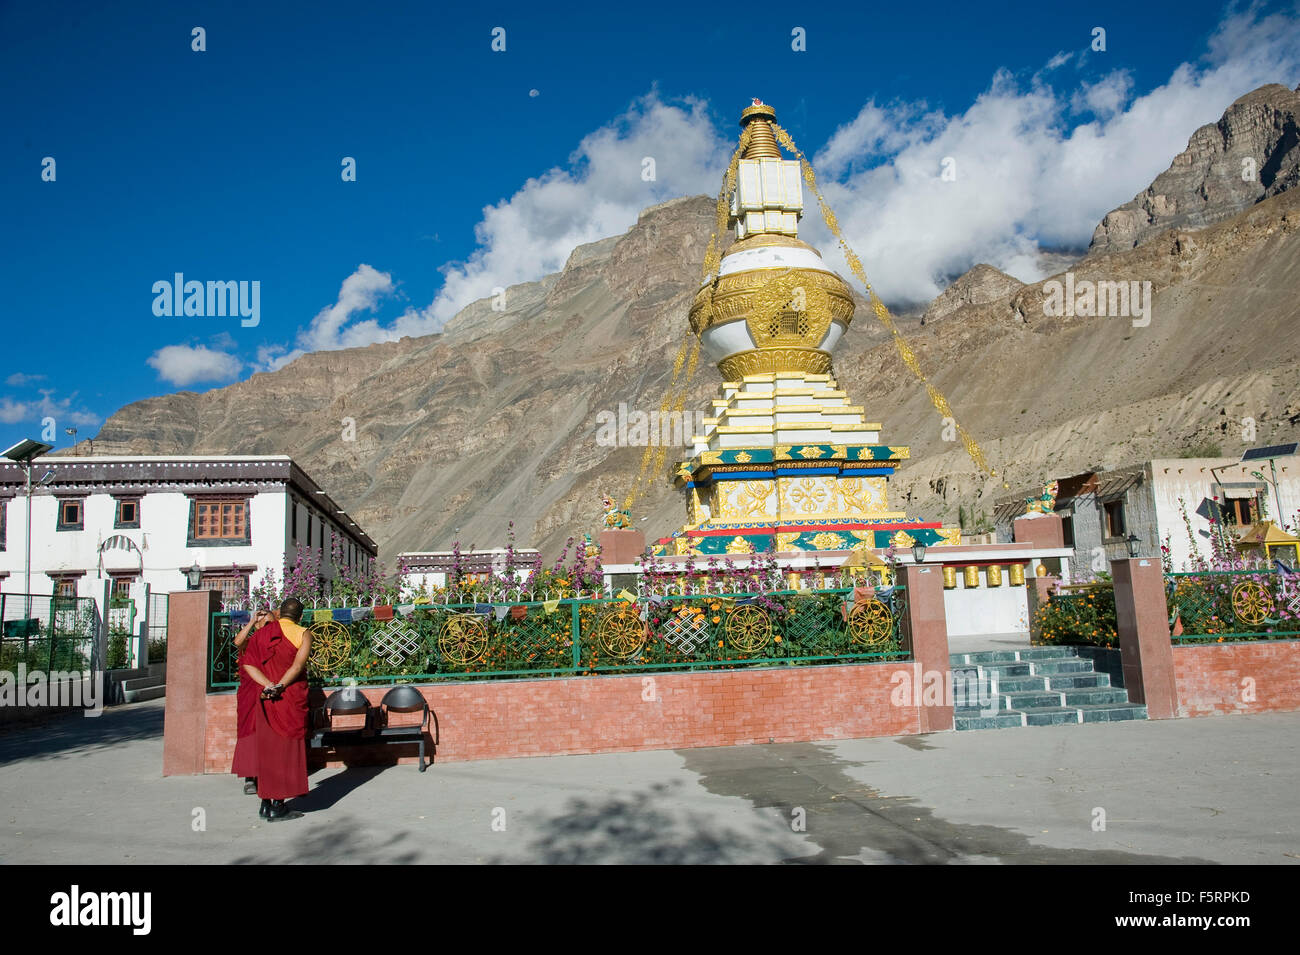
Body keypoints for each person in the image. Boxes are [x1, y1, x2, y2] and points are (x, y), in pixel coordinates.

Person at [241, 597, 313, 822]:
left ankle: (265, 804)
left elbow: (248, 663)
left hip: (264, 699)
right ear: (300, 616)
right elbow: (297, 666)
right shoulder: (303, 633)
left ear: (280, 613)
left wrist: (267, 685)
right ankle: (278, 806)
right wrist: (280, 686)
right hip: (288, 698)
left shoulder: (262, 633)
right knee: (285, 751)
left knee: (267, 751)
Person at [230, 608, 274, 795]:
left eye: (269, 621)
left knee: (270, 734)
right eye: (261, 620)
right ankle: (250, 776)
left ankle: (268, 774)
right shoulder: (248, 642)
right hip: (250, 693)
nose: (265, 623)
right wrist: (251, 622)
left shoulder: (275, 642)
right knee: (250, 732)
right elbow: (237, 642)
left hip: (269, 692)